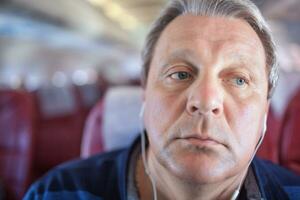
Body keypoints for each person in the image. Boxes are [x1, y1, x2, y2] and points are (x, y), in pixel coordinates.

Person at [24, 0, 300, 199]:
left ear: (264, 111)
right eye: (180, 74)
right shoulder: (56, 191)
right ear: (145, 95)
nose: (205, 101)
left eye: (239, 80)